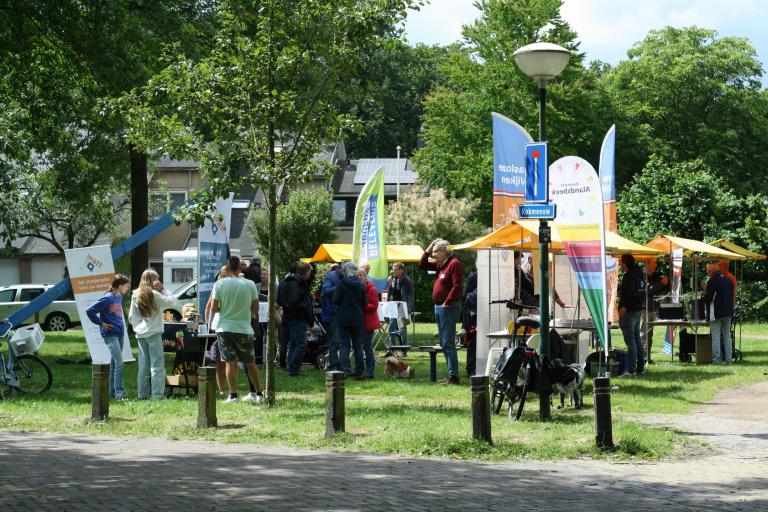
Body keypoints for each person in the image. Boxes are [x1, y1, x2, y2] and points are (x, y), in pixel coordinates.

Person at [211, 256, 264, 403]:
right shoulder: (250, 284)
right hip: (244, 328)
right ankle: (259, 393)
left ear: (227, 268)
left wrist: (226, 309)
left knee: (230, 362)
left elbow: (214, 308)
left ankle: (233, 395)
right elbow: (256, 308)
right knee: (250, 362)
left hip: (225, 327)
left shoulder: (220, 284)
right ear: (241, 268)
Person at [419, 239, 463, 385]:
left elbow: (457, 286)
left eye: (436, 251)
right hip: (439, 307)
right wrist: (429, 246)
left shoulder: (454, 263)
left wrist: (447, 302)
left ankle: (454, 377)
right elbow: (422, 264)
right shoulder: (440, 265)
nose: (434, 254)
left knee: (448, 342)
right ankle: (451, 375)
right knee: (444, 343)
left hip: (448, 308)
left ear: (445, 251)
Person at [129, 269, 176, 400]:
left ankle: (142, 395)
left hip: (140, 333)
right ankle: (157, 395)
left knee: (143, 366)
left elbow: (131, 317)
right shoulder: (155, 294)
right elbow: (172, 302)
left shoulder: (135, 294)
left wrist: (138, 326)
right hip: (154, 332)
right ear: (154, 280)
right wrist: (163, 289)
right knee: (157, 366)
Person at [86, 274, 131, 401]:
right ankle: (120, 394)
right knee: (119, 363)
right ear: (120, 285)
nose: (127, 288)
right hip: (110, 334)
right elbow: (90, 310)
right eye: (126, 286)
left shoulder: (119, 297)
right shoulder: (107, 298)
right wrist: (101, 323)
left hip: (119, 332)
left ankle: (111, 392)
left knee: (114, 362)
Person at [278, 262, 314, 377]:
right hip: (297, 318)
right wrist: (305, 308)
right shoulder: (297, 284)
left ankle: (292, 367)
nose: (310, 274)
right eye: (309, 272)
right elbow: (295, 302)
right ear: (305, 272)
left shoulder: (284, 282)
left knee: (293, 343)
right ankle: (293, 369)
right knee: (301, 344)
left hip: (287, 317)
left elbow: (279, 300)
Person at [333, 261, 367, 379]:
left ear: (346, 271)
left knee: (344, 345)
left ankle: (345, 370)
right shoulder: (361, 285)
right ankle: (360, 371)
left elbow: (335, 300)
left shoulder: (341, 284)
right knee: (357, 345)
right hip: (357, 317)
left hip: (343, 317)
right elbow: (365, 303)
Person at [618, 254, 646, 377]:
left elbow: (630, 294)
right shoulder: (640, 274)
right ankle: (640, 368)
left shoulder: (629, 276)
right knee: (637, 339)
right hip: (638, 309)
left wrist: (625, 307)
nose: (619, 263)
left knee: (631, 342)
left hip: (629, 312)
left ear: (625, 263)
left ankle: (631, 370)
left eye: (621, 261)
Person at [205, 265, 230, 393]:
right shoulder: (217, 285)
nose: (223, 278)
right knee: (220, 361)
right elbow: (209, 307)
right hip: (218, 326)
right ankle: (221, 390)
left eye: (226, 275)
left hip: (230, 325)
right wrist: (207, 324)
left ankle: (230, 390)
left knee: (229, 361)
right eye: (222, 275)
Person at [704, 263, 735, 364]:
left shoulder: (712, 282)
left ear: (711, 272)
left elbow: (709, 298)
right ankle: (729, 359)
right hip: (728, 311)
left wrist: (703, 297)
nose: (707, 274)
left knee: (716, 336)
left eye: (708, 272)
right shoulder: (728, 280)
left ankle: (716, 360)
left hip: (716, 312)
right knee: (727, 335)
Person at [642, 258, 669, 364]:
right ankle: (642, 358)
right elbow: (648, 290)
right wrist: (662, 283)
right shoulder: (643, 277)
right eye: (654, 263)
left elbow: (656, 290)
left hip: (652, 309)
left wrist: (663, 294)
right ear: (647, 264)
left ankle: (647, 358)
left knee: (649, 335)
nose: (656, 266)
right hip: (644, 309)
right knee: (643, 334)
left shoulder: (654, 277)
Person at [321, 263, 342, 371]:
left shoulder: (341, 276)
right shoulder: (332, 276)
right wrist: (340, 287)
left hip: (337, 314)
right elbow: (326, 291)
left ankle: (337, 364)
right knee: (334, 341)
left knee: (337, 341)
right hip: (332, 314)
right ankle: (335, 364)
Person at [386, 262, 414, 345]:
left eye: (395, 269)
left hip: (403, 306)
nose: (393, 271)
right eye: (393, 269)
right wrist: (389, 284)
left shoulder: (406, 280)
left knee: (402, 328)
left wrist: (408, 308)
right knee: (391, 327)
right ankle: (392, 349)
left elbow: (409, 296)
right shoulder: (394, 279)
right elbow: (390, 293)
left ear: (401, 270)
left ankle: (404, 349)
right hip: (393, 305)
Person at [359, 269, 380, 379]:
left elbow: (374, 306)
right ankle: (360, 370)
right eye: (357, 276)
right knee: (359, 346)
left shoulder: (371, 289)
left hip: (368, 321)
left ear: (365, 277)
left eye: (361, 276)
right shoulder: (357, 289)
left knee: (367, 346)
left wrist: (361, 307)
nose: (359, 278)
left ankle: (370, 370)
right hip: (359, 321)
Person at [462, 266, 478, 377]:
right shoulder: (473, 276)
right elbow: (464, 296)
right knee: (473, 342)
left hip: (483, 312)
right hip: (473, 314)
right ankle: (471, 368)